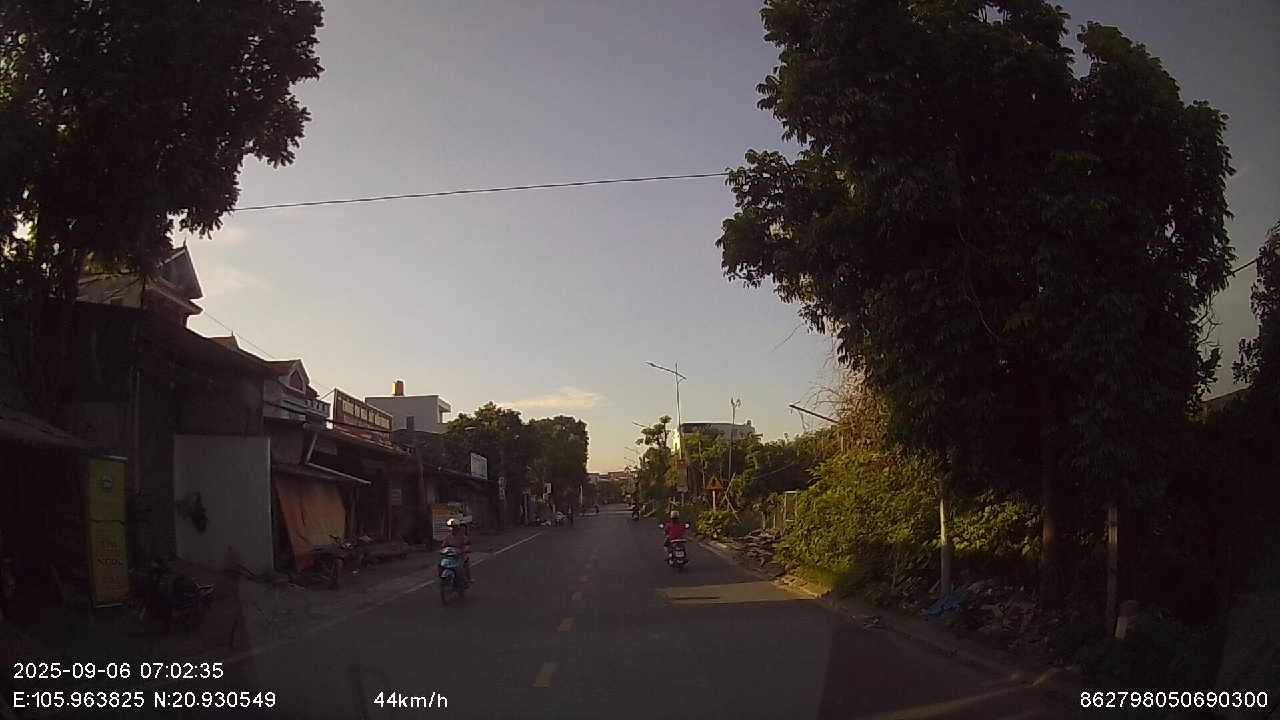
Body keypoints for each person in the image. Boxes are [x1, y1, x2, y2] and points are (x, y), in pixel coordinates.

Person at [441, 518, 472, 583]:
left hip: (461, 555)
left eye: (454, 527)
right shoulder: (448, 536)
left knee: (463, 565)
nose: (452, 528)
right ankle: (443, 578)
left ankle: (468, 579)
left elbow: (467, 543)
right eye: (451, 527)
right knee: (441, 564)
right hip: (451, 556)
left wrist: (466, 549)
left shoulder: (462, 536)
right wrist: (442, 550)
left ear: (457, 527)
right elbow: (444, 545)